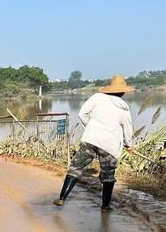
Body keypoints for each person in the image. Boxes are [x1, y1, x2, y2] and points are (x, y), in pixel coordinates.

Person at [53, 75, 135, 211]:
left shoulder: (97, 97)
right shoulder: (123, 107)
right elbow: (128, 128)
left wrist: (91, 126)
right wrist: (129, 144)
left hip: (90, 139)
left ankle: (61, 198)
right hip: (110, 145)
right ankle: (105, 206)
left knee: (75, 168)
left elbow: (82, 114)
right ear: (123, 91)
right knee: (108, 175)